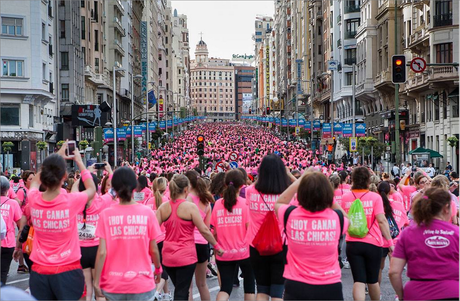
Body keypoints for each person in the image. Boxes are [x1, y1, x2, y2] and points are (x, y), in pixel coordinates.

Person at [26, 142, 96, 300]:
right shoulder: (71, 201)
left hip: (39, 271)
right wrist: (79, 161)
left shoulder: (33, 198)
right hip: (68, 269)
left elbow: (35, 182)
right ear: (64, 176)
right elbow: (91, 189)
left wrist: (56, 157)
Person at [274, 171, 348, 300]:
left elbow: (280, 201)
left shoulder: (289, 215)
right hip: (330, 285)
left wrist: (300, 179)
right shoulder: (338, 218)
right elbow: (347, 218)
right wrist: (328, 197)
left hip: (296, 285)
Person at [93, 167, 162, 301]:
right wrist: (158, 269)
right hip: (141, 282)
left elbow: (102, 252)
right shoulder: (147, 213)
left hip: (113, 282)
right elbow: (153, 249)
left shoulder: (106, 214)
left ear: (114, 188)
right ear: (135, 187)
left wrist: (96, 282)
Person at [156, 174, 224, 301]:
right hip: (186, 256)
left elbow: (153, 232)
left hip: (168, 256)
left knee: (182, 288)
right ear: (186, 190)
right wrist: (216, 245)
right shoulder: (190, 208)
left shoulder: (163, 208)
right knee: (182, 292)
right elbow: (204, 229)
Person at [389, 188, 459, 300]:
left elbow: (394, 272)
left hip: (417, 293)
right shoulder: (457, 233)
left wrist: (402, 296)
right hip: (453, 292)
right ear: (446, 208)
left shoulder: (408, 233)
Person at [341, 167, 394, 301]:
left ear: (352, 179)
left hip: (352, 242)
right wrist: (390, 242)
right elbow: (381, 220)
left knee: (358, 280)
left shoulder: (345, 197)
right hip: (373, 242)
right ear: (368, 180)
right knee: (372, 280)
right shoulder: (375, 197)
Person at [245, 154, 291, 301]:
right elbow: (303, 188)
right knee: (278, 290)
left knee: (262, 288)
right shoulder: (287, 193)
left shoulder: (250, 191)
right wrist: (290, 175)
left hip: (256, 245)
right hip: (281, 245)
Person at [211, 169, 255, 301]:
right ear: (242, 185)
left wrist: (216, 248)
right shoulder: (245, 204)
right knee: (250, 287)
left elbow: (214, 231)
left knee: (225, 288)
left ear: (225, 184)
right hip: (244, 251)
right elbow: (250, 229)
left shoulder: (218, 204)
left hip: (224, 252)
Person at [74, 169, 112, 301]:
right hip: (97, 248)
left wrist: (83, 174)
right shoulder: (102, 201)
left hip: (80, 250)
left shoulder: (76, 201)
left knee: (86, 290)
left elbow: (74, 189)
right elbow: (115, 190)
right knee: (100, 291)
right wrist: (110, 171)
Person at [185, 170, 214, 301]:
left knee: (188, 286)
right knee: (202, 284)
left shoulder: (188, 199)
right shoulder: (207, 201)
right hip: (202, 244)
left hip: (189, 243)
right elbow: (207, 228)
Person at [376, 181, 408, 295]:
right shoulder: (399, 205)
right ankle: (398, 295)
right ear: (390, 191)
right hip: (396, 241)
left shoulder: (377, 205)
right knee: (396, 271)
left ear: (377, 191)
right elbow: (406, 222)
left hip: (379, 240)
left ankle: (376, 293)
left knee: (378, 269)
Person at [145, 177, 171, 301]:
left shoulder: (148, 201)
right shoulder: (165, 200)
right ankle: (157, 291)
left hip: (151, 238)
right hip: (163, 237)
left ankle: (166, 293)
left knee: (157, 266)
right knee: (164, 267)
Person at [0, 176, 26, 285]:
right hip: (7, 243)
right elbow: (21, 225)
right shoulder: (13, 203)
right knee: (3, 273)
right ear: (8, 189)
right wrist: (18, 246)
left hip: (6, 244)